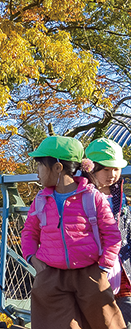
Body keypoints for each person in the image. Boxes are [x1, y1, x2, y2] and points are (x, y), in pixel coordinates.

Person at [21, 135, 124, 328]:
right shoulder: (41, 199)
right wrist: (33, 260)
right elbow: (29, 232)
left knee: (106, 323)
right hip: (51, 274)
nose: (37, 173)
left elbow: (112, 234)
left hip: (90, 272)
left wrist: (103, 267)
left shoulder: (92, 197)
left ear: (58, 167)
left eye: (41, 166)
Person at [87, 138, 131, 328]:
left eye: (116, 169)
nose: (112, 174)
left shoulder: (120, 196)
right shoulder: (81, 196)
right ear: (92, 168)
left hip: (122, 268)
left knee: (126, 315)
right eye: (106, 169)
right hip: (95, 267)